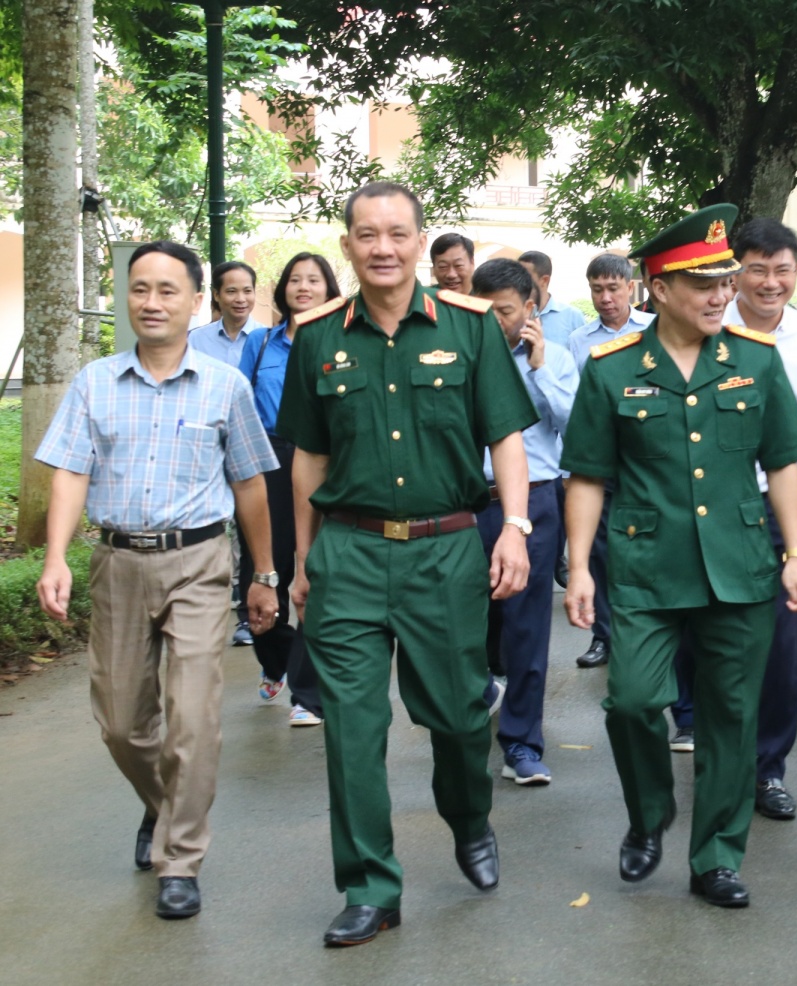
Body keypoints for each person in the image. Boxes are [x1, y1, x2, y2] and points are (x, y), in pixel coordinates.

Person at [277, 181, 540, 946]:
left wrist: (515, 528)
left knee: (457, 715)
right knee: (351, 727)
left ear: (420, 242)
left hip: (446, 548)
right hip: (349, 552)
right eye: (366, 235)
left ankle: (469, 819)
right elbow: (309, 462)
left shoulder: (470, 327)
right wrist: (303, 562)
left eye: (397, 234)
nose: (382, 248)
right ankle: (370, 887)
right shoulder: (318, 337)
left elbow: (507, 438)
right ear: (348, 244)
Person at [560, 203, 797, 909]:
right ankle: (649, 815)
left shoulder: (756, 363)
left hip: (740, 567)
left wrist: (796, 552)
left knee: (732, 716)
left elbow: (786, 464)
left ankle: (717, 858)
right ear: (658, 289)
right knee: (634, 702)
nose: (720, 294)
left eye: (724, 280)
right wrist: (579, 567)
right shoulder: (611, 371)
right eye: (701, 283)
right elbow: (585, 474)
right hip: (646, 570)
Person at [34, 240, 280, 920]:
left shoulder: (225, 386)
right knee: (121, 723)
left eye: (168, 290)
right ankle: (163, 806)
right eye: (141, 288)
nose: (152, 302)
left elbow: (251, 482)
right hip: (117, 563)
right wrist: (56, 557)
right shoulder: (94, 382)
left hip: (201, 561)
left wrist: (264, 573)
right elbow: (70, 472)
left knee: (193, 718)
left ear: (193, 301)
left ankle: (181, 857)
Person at [671, 217, 797, 819]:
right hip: (705, 509)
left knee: (781, 643)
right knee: (699, 637)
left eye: (783, 270)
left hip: (782, 506)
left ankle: (766, 767)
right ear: (735, 272)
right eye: (758, 270)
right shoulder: (704, 325)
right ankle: (712, 743)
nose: (771, 283)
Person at [470, 258, 579, 785]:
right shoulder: (458, 357)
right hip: (466, 503)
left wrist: (538, 369)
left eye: (505, 312)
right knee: (468, 621)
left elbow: (575, 428)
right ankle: (473, 713)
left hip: (534, 501)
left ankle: (522, 742)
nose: (494, 321)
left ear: (529, 309)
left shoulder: (554, 358)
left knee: (527, 625)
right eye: (484, 311)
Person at [236, 252, 341, 726]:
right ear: (282, 291)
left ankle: (306, 692)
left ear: (328, 289)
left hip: (325, 457)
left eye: (313, 280)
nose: (303, 287)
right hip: (268, 460)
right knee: (262, 572)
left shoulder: (342, 341)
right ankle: (275, 656)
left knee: (313, 568)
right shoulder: (260, 344)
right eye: (295, 280)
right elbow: (239, 408)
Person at [568, 253, 658, 670]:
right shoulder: (580, 340)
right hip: (601, 464)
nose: (605, 298)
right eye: (597, 289)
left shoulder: (655, 329)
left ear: (630, 288)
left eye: (612, 288)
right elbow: (574, 406)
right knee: (601, 553)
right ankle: (604, 635)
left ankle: (655, 630)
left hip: (646, 459)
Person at [190, 259, 267, 647]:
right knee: (211, 530)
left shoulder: (268, 339)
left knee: (251, 528)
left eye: (248, 290)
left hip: (251, 450)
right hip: (206, 450)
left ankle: (245, 614)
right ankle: (201, 605)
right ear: (217, 296)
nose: (241, 298)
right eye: (232, 290)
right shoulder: (196, 341)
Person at [519, 249, 587, 345]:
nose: (518, 283)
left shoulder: (572, 317)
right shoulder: (513, 315)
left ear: (544, 280)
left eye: (525, 278)